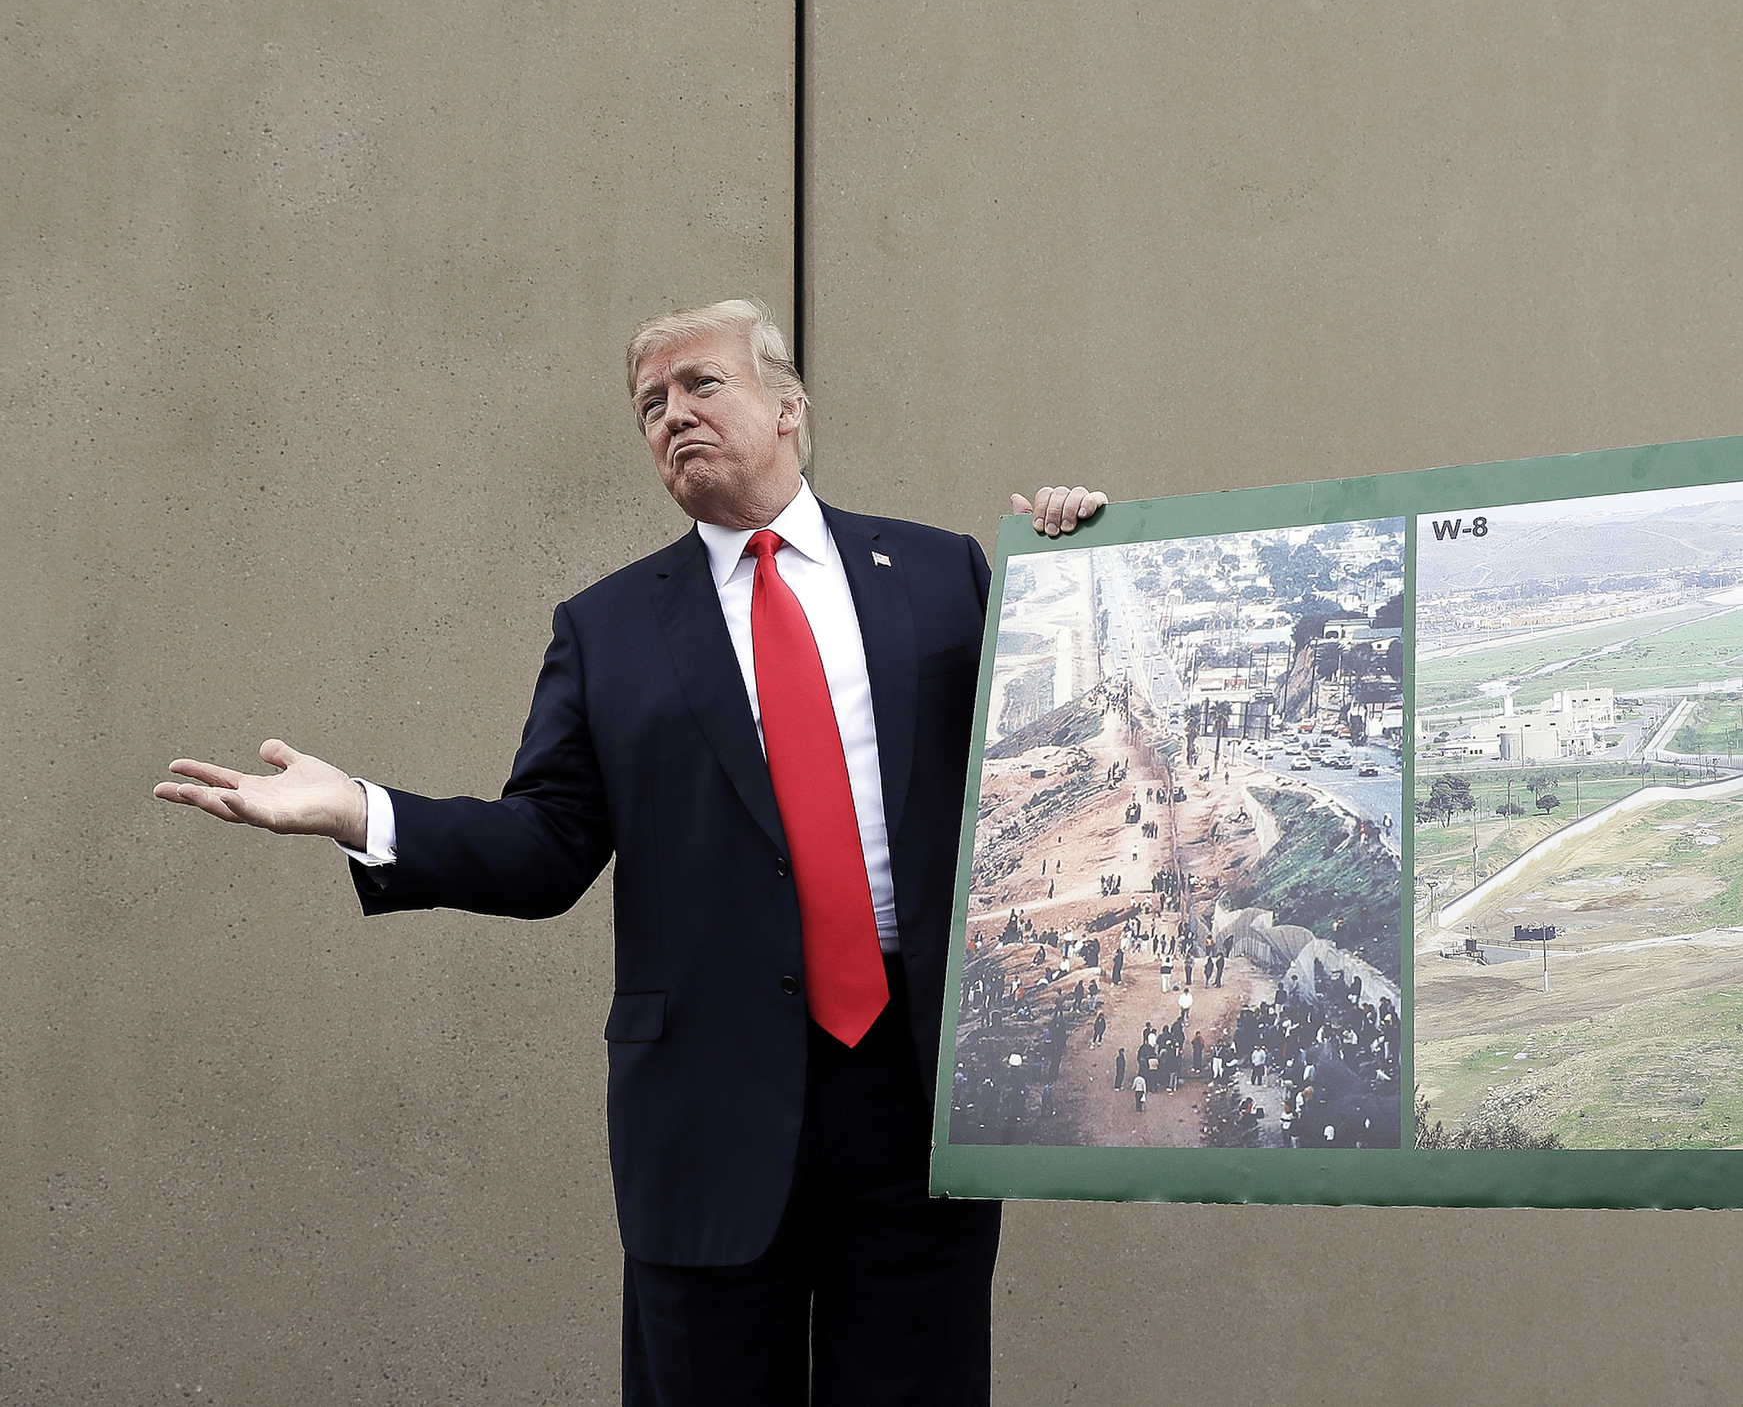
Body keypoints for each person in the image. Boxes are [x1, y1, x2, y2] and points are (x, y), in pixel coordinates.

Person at [151, 299, 1108, 1407]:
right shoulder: (606, 629)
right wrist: (362, 811)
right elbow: (546, 844)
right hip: (707, 1101)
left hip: (915, 1088)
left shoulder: (940, 574)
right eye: (650, 404)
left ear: (790, 406)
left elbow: (1065, 747)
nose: (673, 415)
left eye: (702, 385)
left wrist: (1077, 559)